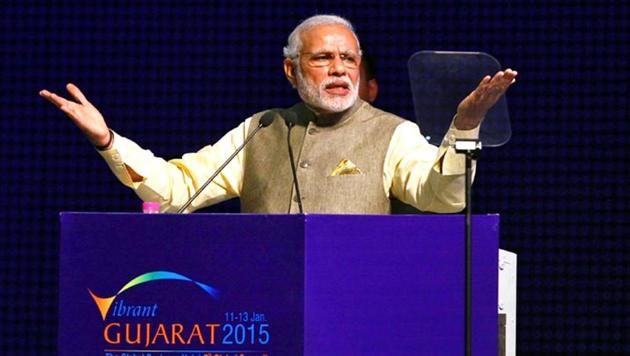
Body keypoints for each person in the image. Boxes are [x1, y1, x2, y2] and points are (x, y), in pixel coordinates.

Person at [40, 14, 517, 214]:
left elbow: (442, 196)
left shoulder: (393, 132)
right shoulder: (261, 128)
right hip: (258, 315)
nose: (339, 70)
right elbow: (176, 188)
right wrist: (108, 141)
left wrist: (465, 126)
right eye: (323, 58)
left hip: (353, 312)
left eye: (348, 59)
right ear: (291, 70)